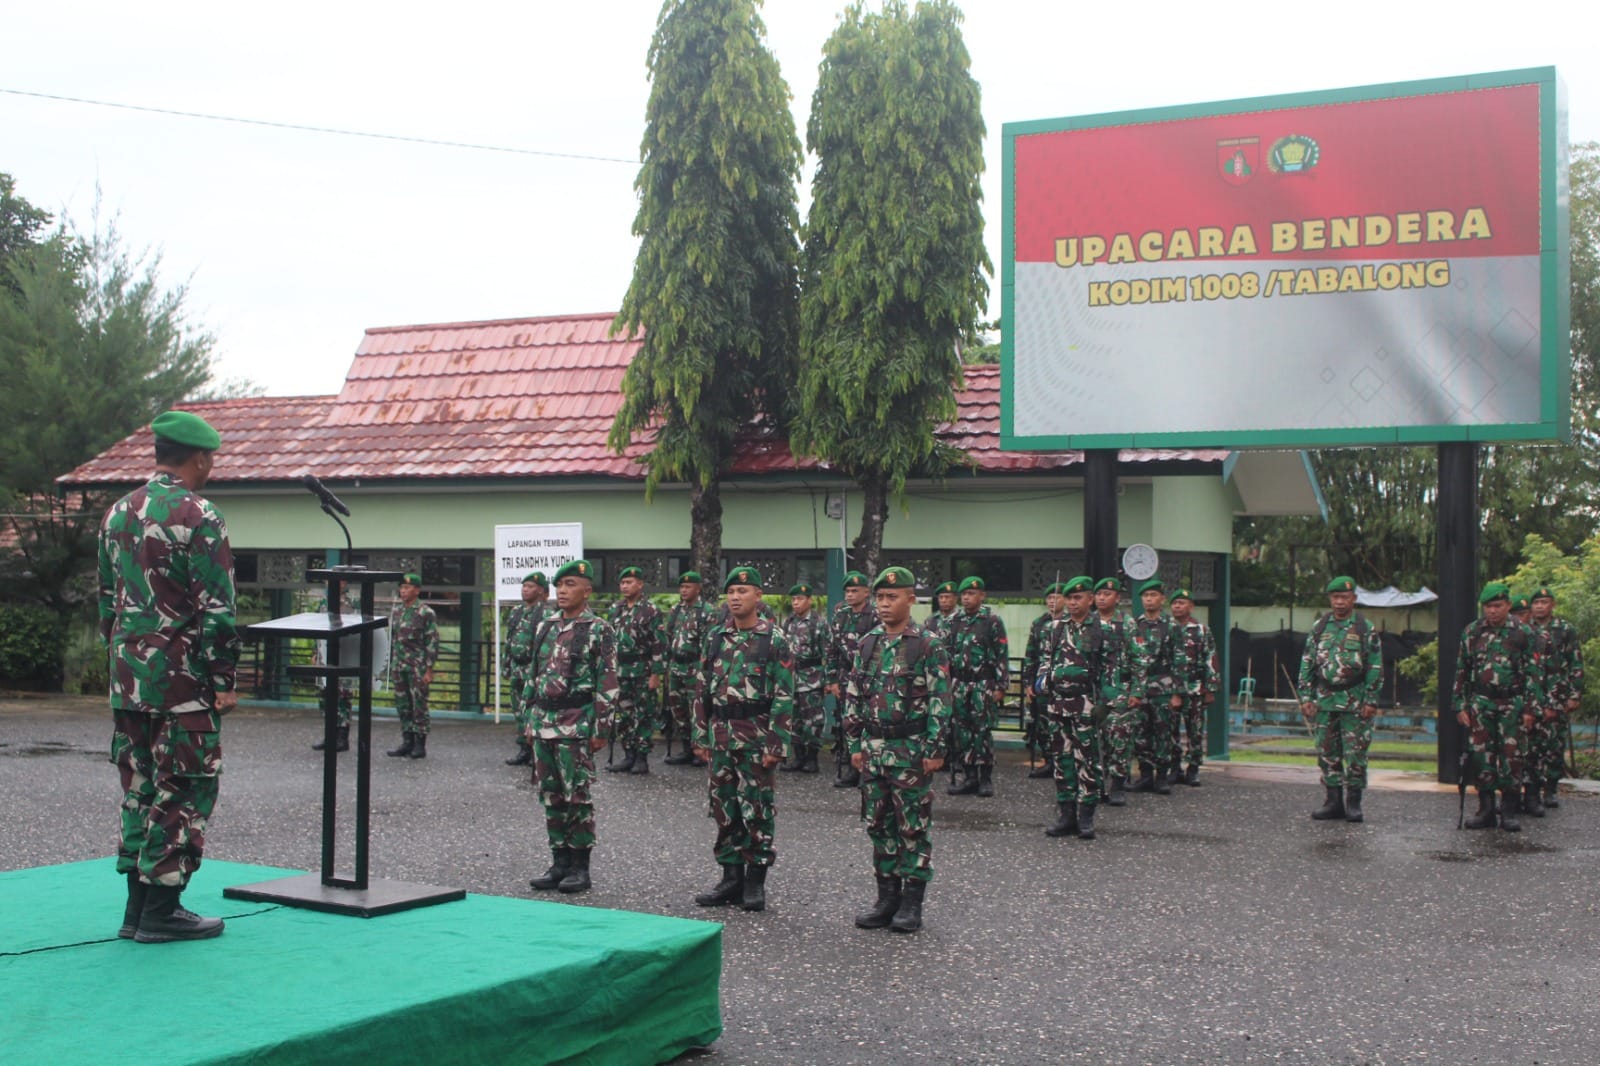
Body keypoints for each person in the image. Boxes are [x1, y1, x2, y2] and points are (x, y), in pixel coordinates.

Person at [99, 410, 239, 942]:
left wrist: (122, 665)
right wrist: (223, 679)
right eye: (211, 461)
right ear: (199, 457)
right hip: (181, 683)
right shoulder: (198, 513)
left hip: (128, 678)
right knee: (184, 787)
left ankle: (136, 910)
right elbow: (217, 608)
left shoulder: (117, 513)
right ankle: (163, 910)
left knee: (140, 786)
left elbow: (106, 602)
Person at [845, 566, 951, 933]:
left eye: (892, 597)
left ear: (911, 599)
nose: (885, 604)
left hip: (910, 749)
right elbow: (855, 695)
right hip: (874, 748)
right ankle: (886, 898)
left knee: (912, 825)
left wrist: (935, 748)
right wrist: (854, 742)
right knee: (878, 823)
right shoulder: (868, 643)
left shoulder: (926, 644)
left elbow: (940, 699)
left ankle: (911, 902)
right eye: (880, 598)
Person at [692, 567, 795, 913]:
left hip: (755, 736)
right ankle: (730, 877)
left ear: (758, 596)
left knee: (757, 808)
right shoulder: (716, 637)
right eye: (731, 591)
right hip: (721, 736)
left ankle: (755, 880)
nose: (735, 597)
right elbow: (702, 688)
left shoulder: (774, 639)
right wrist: (700, 733)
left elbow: (784, 695)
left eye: (743, 590)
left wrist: (776, 744)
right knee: (723, 806)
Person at [525, 560, 617, 893]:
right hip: (544, 722)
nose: (563, 590)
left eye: (571, 584)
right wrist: (529, 718)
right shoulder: (546, 626)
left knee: (577, 795)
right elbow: (534, 675)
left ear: (587, 589)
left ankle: (580, 866)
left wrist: (601, 729)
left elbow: (607, 682)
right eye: (560, 584)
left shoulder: (599, 629)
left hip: (576, 723)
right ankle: (559, 861)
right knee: (550, 795)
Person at [1453, 582, 1542, 832]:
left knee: (1512, 758)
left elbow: (1533, 674)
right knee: (1482, 756)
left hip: (1511, 704)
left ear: (1507, 606)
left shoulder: (1523, 633)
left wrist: (1530, 709)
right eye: (1488, 607)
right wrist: (1460, 703)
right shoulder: (1473, 632)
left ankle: (1510, 810)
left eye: (1497, 606)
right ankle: (1486, 809)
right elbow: (1462, 669)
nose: (1492, 611)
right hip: (1481, 703)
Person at [1296, 576, 1382, 822]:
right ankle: (1332, 801)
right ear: (1330, 599)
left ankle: (1353, 803)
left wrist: (1371, 700)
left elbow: (1375, 666)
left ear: (1353, 598)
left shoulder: (1365, 628)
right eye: (1335, 597)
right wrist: (1306, 696)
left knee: (1355, 753)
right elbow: (1307, 664)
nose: (1339, 602)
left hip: (1354, 700)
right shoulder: (1320, 627)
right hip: (1325, 699)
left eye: (1344, 597)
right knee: (1326, 751)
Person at [1037, 576, 1107, 839]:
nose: (1073, 603)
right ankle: (1066, 814)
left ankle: (1086, 815)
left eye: (1078, 598)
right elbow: (1046, 660)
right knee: (1062, 759)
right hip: (1058, 703)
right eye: (1069, 598)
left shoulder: (1101, 629)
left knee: (1087, 761)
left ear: (1090, 599)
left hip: (1086, 703)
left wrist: (1106, 704)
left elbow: (1112, 669)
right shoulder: (1054, 628)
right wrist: (1043, 681)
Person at [946, 576, 1009, 797]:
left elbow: (1002, 654)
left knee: (982, 731)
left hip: (983, 684)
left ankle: (985, 778)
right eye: (963, 594)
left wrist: (1001, 685)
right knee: (961, 731)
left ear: (981, 596)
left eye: (971, 594)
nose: (966, 598)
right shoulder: (954, 621)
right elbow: (946, 653)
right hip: (959, 684)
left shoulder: (992, 621)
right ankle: (969, 775)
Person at [1527, 586, 1584, 811]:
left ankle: (1550, 789)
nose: (1540, 606)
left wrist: (1574, 694)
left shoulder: (1565, 629)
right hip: (1532, 694)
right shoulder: (1525, 629)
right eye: (1536, 602)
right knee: (1531, 745)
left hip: (1557, 694)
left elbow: (1575, 663)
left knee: (1553, 743)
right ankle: (1531, 790)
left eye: (1544, 602)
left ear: (1553, 605)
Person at [607, 566, 666, 775]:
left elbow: (658, 643)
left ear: (640, 584)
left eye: (629, 582)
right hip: (621, 670)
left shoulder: (650, 610)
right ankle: (628, 754)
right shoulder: (616, 608)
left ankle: (641, 757)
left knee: (643, 713)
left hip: (642, 669)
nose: (625, 586)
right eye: (622, 583)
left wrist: (656, 674)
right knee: (624, 713)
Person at [827, 571, 878, 787]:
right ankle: (850, 768)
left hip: (869, 677)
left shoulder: (875, 616)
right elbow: (832, 650)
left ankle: (870, 769)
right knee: (848, 722)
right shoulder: (841, 616)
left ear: (866, 593)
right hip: (846, 676)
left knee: (869, 722)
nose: (850, 595)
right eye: (847, 591)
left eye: (855, 590)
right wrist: (833, 680)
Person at [1094, 576, 1140, 804]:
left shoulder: (1127, 623)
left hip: (1120, 690)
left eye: (1107, 594)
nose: (1102, 598)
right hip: (1094, 690)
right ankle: (1096, 785)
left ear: (1117, 598)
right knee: (1094, 741)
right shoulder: (1088, 622)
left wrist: (1137, 692)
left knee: (1119, 740)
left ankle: (1118, 785)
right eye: (1099, 594)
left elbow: (1138, 659)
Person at [1129, 579, 1178, 795]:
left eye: (1153, 595)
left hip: (1163, 688)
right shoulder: (1135, 625)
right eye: (1145, 596)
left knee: (1163, 733)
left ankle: (1162, 777)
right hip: (1140, 687)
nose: (1149, 599)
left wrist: (1177, 692)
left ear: (1162, 599)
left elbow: (1180, 661)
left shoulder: (1172, 626)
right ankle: (1145, 775)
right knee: (1141, 733)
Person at [662, 572, 715, 767]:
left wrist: (704, 673)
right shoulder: (676, 610)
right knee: (679, 710)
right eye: (682, 587)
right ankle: (685, 748)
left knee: (697, 710)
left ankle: (698, 749)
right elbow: (668, 637)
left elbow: (708, 646)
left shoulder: (706, 611)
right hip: (676, 667)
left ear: (698, 588)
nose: (684, 590)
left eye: (688, 586)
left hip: (694, 668)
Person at [386, 572, 440, 759]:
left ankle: (420, 743)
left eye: (407, 588)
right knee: (402, 704)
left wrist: (429, 668)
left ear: (417, 590)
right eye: (401, 588)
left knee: (419, 704)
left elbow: (432, 641)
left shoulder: (426, 613)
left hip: (417, 666)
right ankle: (406, 740)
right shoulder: (397, 611)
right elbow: (394, 639)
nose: (403, 591)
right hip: (399, 665)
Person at [1168, 589, 1219, 786]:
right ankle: (1174, 768)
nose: (1177, 606)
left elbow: (1210, 658)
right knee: (1170, 730)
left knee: (1195, 730)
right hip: (1170, 690)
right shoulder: (1167, 628)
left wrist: (1210, 689)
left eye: (1181, 602)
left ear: (1191, 606)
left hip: (1195, 689)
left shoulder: (1201, 630)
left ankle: (1193, 768)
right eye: (1174, 603)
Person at [779, 582, 830, 773]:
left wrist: (828, 679)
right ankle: (798, 757)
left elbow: (828, 652)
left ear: (809, 600)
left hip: (812, 679)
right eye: (793, 599)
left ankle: (812, 758)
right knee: (794, 719)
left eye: (800, 599)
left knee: (813, 720)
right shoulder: (788, 622)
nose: (796, 603)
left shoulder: (819, 623)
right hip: (792, 678)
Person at [1020, 583, 1066, 778]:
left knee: (1063, 724)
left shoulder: (1070, 622)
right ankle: (1048, 760)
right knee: (1043, 724)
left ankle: (1063, 762)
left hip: (1064, 681)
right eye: (1049, 598)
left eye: (1056, 597)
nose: (1052, 601)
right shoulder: (1039, 623)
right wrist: (1028, 683)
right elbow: (1031, 654)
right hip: (1042, 680)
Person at [503, 572, 549, 766]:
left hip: (533, 669)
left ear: (539, 590)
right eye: (524, 586)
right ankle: (524, 749)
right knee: (519, 710)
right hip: (517, 667)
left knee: (535, 709)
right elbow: (509, 639)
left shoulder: (546, 613)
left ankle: (537, 751)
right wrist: (506, 664)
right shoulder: (516, 612)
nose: (525, 590)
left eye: (530, 586)